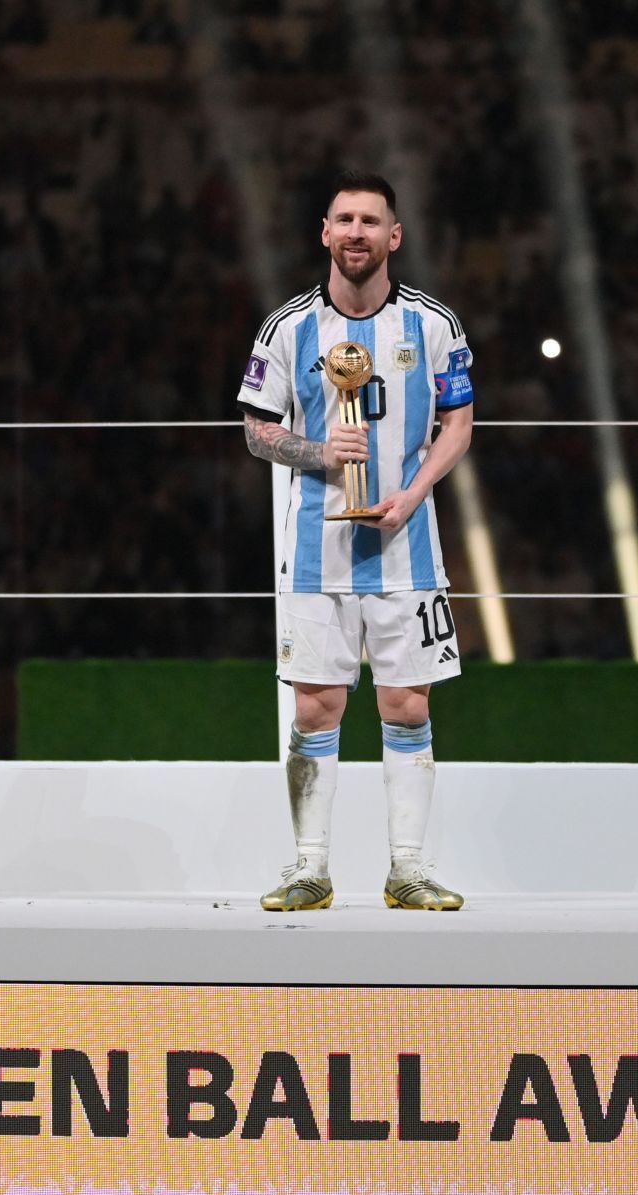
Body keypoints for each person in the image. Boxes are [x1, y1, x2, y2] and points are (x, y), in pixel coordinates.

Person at [235, 170, 476, 911]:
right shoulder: (288, 329)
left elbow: (458, 425)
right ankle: (310, 867)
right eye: (345, 220)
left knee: (407, 705)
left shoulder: (433, 325)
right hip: (316, 553)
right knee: (316, 709)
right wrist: (317, 453)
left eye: (371, 221)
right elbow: (256, 430)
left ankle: (408, 868)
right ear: (324, 232)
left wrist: (411, 494)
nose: (357, 233)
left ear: (393, 237)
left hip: (409, 547)